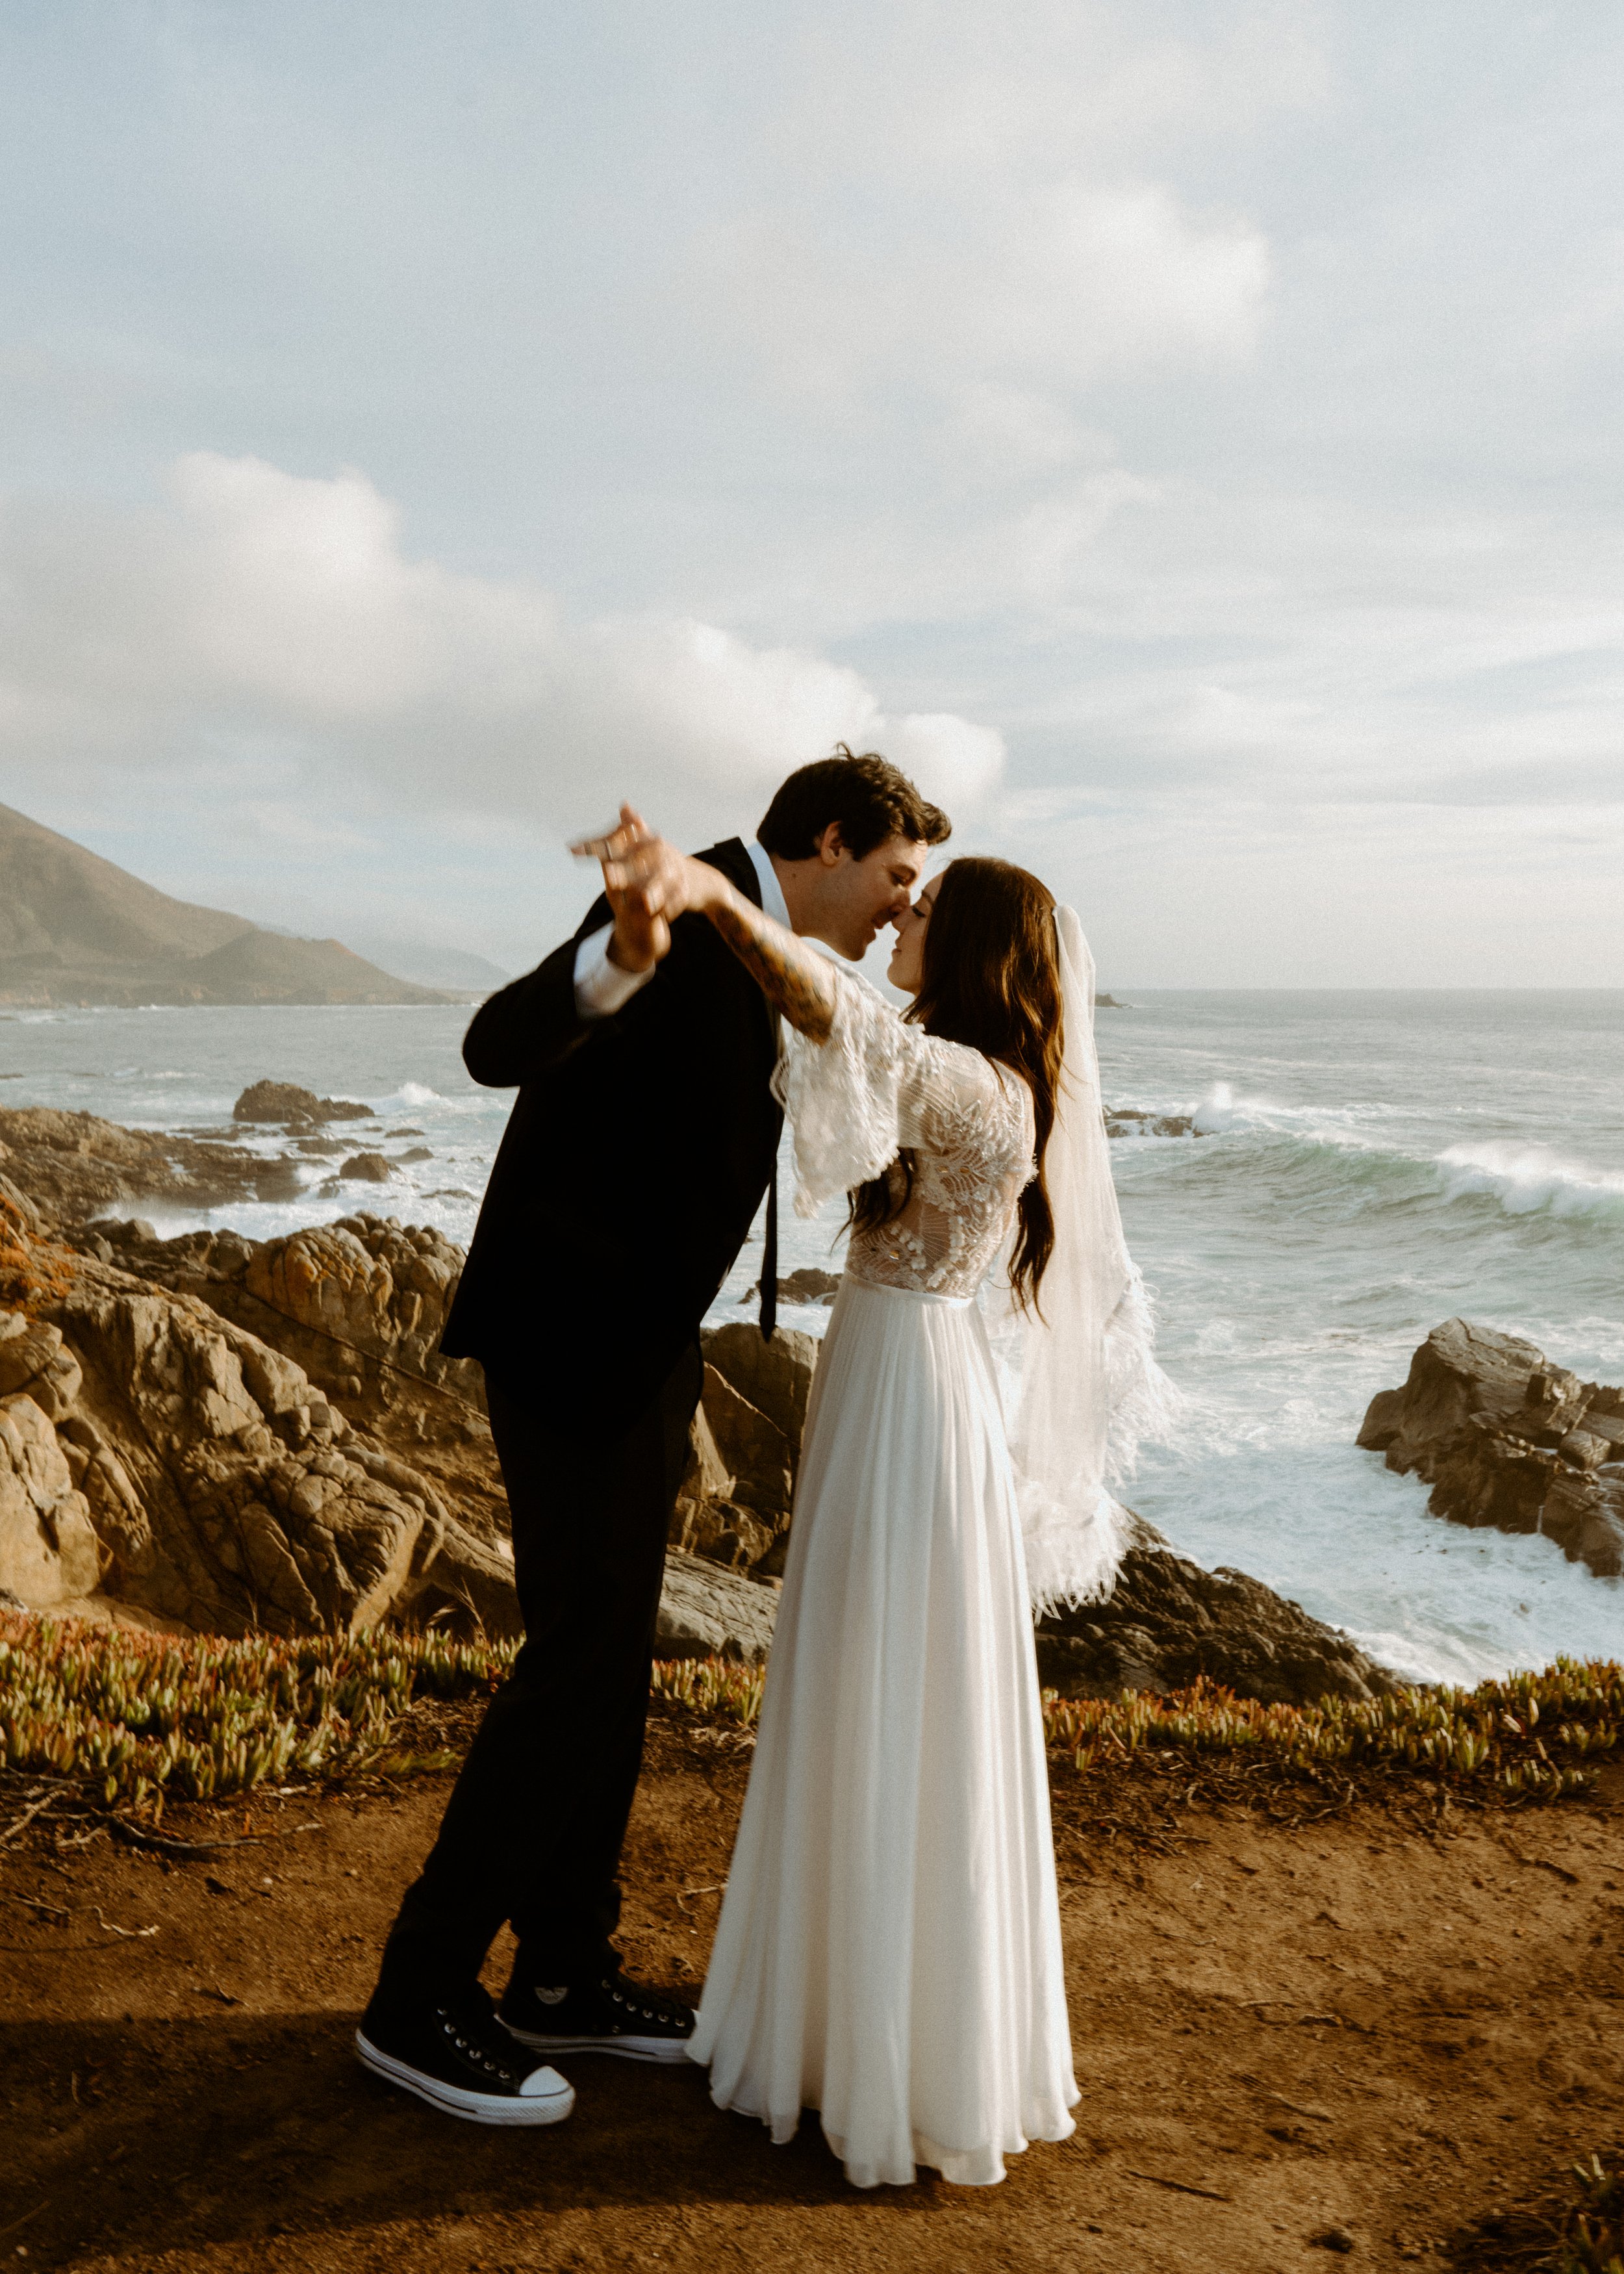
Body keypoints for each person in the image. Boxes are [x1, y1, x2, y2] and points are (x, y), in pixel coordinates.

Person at [354, 750, 951, 2126]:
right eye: (892, 877)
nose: (891, 908)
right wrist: (617, 956)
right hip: (567, 1338)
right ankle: (419, 1990)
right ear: (825, 838)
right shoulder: (673, 917)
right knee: (576, 1661)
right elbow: (497, 1049)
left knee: (612, 1660)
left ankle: (561, 1972)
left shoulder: (764, 949)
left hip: (641, 1351)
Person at [587, 823, 1166, 2186]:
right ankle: (836, 2024)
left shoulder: (979, 1087)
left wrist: (716, 894)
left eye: (925, 908)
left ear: (965, 950)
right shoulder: (980, 1077)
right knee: (860, 1679)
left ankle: (889, 2056)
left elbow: (824, 1004)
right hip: (894, 1372)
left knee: (883, 1683)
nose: (900, 915)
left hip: (910, 1393)